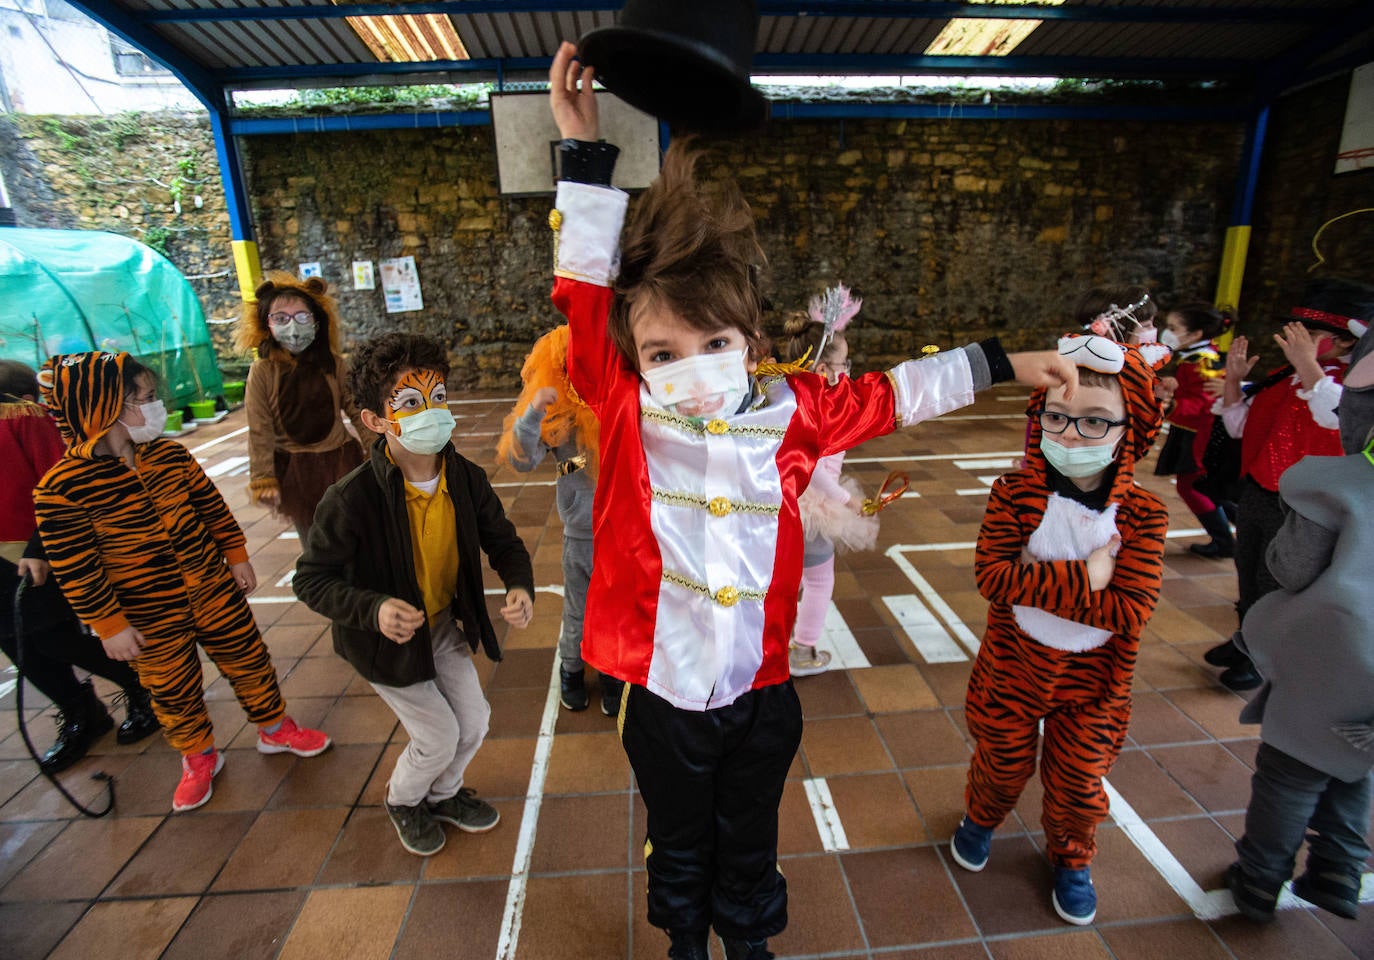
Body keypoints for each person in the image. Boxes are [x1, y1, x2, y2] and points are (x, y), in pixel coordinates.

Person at [546, 41, 1079, 960]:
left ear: (750, 340)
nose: (688, 369)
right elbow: (584, 296)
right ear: (633, 362)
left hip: (761, 691)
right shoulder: (628, 411)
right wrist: (584, 159)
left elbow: (896, 392)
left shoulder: (798, 413)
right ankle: (683, 940)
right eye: (662, 354)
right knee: (678, 838)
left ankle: (748, 940)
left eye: (710, 342)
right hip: (662, 691)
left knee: (749, 834)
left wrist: (1001, 362)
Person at [32, 351, 331, 812]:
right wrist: (108, 625)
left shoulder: (170, 454)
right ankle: (198, 756)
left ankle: (275, 728)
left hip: (213, 590)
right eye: (147, 399)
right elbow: (76, 567)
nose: (157, 407)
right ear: (105, 407)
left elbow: (211, 507)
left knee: (249, 658)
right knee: (172, 689)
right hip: (146, 615)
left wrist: (236, 556)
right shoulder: (61, 488)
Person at [950, 334, 1168, 926]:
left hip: (1094, 683)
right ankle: (981, 818)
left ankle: (1072, 857)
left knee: (1078, 779)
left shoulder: (1143, 515)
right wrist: (1089, 576)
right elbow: (993, 578)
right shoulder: (1015, 494)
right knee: (1000, 760)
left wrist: (1038, 575)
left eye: (1096, 421)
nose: (1071, 434)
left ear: (1132, 429)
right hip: (1013, 668)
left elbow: (1130, 611)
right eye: (1057, 415)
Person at [293, 332, 535, 857]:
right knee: (438, 736)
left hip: (443, 625)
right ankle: (404, 801)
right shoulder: (351, 498)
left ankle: (444, 795)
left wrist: (518, 584)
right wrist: (374, 608)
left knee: (474, 722)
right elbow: (311, 579)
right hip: (385, 643)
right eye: (410, 403)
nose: (433, 412)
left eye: (439, 397)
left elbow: (504, 541)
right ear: (376, 421)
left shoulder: (465, 478)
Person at [1226, 319, 1374, 923]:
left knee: (1290, 770)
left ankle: (1260, 878)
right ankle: (1340, 869)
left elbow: (1291, 568)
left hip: (1335, 653)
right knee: (1353, 760)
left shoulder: (1342, 483)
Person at [1203, 278, 1370, 691]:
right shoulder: (1286, 379)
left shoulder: (1353, 386)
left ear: (1346, 343)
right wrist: (1233, 380)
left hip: (1305, 508)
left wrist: (1309, 366)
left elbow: (1338, 418)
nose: (1295, 341)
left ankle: (1264, 657)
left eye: (1310, 336)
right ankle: (1246, 641)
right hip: (1261, 494)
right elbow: (1239, 425)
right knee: (1247, 574)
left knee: (1276, 583)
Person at [0, 360, 158, 772]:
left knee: (53, 636)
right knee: (17, 644)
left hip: (31, 553)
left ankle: (142, 685)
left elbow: (57, 472)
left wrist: (39, 544)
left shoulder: (19, 413)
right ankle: (79, 712)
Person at [496, 325, 618, 714]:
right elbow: (520, 458)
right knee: (578, 608)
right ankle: (571, 669)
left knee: (616, 608)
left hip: (620, 529)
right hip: (581, 533)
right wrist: (534, 413)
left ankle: (613, 672)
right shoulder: (560, 416)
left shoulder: (620, 401)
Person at [778, 288, 878, 677]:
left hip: (788, 503)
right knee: (819, 580)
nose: (849, 369)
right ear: (823, 370)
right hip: (811, 508)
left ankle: (782, 643)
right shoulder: (817, 407)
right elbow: (811, 466)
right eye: (845, 363)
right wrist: (845, 500)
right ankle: (802, 650)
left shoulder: (791, 396)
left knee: (788, 579)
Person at [238, 272, 364, 540]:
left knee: (355, 531)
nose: (293, 327)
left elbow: (358, 410)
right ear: (266, 324)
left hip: (340, 461)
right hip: (296, 471)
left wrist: (383, 451)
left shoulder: (334, 364)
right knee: (314, 539)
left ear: (317, 322)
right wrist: (263, 476)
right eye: (281, 318)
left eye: (302, 316)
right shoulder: (262, 371)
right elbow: (259, 428)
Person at [1154, 302, 1233, 558]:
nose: (1168, 332)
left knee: (1193, 487)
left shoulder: (1205, 362)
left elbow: (1206, 402)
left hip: (1200, 435)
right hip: (1188, 429)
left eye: (1174, 328)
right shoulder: (1193, 358)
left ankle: (1225, 541)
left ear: (1195, 334)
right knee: (1203, 486)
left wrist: (1172, 405)